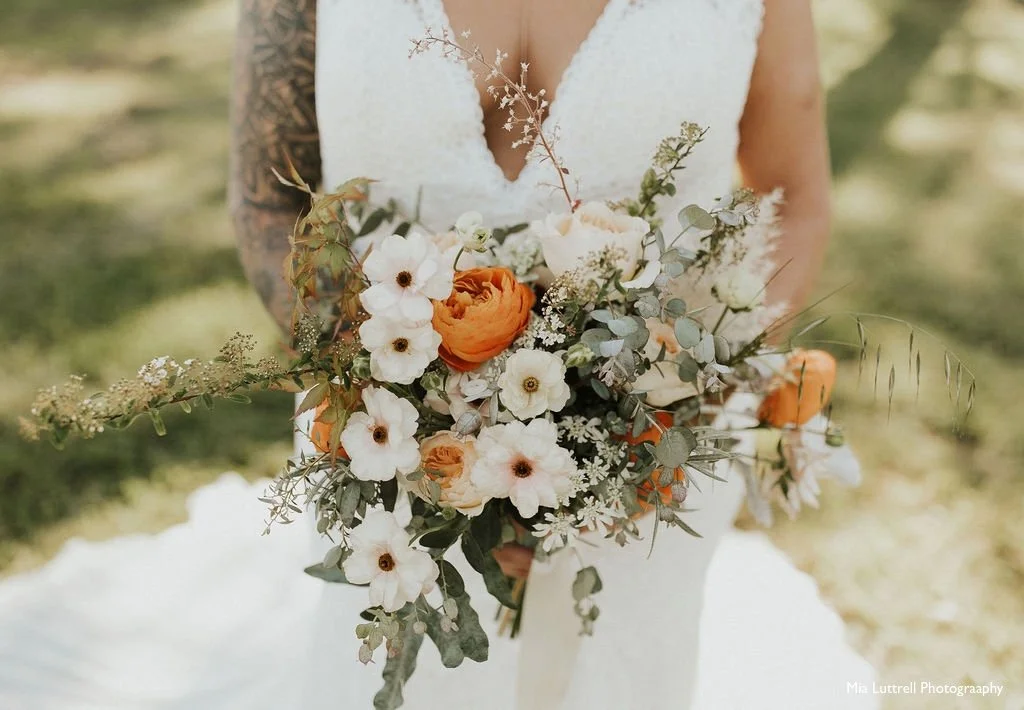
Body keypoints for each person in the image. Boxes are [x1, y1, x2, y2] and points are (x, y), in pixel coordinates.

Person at [0, 2, 876, 709]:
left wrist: (668, 403)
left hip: (652, 460)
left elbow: (793, 197)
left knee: (618, 675)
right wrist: (392, 414)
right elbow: (269, 198)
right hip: (379, 451)